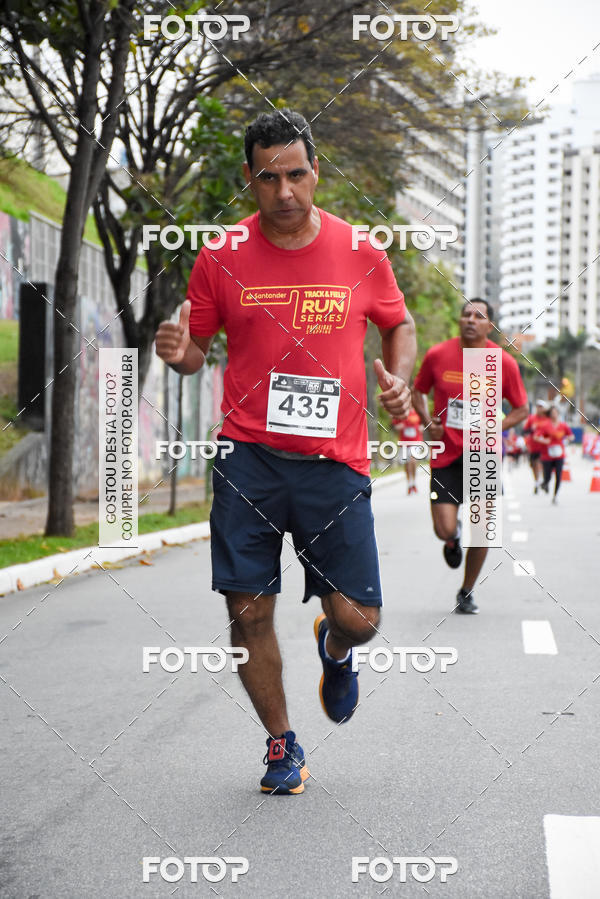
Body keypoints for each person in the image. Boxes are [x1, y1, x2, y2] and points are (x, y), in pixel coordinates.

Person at [154, 109, 416, 794]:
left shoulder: (360, 249)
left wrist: (398, 379)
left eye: (296, 174)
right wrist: (180, 354)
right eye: (269, 178)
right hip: (248, 458)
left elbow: (399, 323)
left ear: (316, 171)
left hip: (336, 461)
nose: (285, 191)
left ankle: (335, 646)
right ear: (250, 179)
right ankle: (281, 744)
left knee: (360, 620)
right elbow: (196, 351)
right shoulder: (220, 255)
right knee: (248, 611)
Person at [412, 299, 528, 614]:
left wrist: (495, 425)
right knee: (443, 528)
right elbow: (418, 391)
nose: (471, 320)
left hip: (483, 455)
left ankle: (466, 591)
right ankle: (453, 539)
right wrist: (428, 421)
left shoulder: (502, 362)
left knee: (483, 529)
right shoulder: (439, 355)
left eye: (479, 316)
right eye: (466, 315)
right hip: (446, 453)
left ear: (490, 325)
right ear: (459, 320)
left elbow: (521, 409)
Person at [535, 405, 574, 504]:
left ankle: (555, 496)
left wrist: (568, 439)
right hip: (547, 455)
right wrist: (544, 441)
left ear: (558, 414)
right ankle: (545, 483)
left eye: (556, 413)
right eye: (552, 413)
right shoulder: (545, 425)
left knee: (558, 475)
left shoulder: (563, 425)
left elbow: (571, 436)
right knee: (548, 476)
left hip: (559, 454)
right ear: (550, 414)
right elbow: (536, 437)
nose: (554, 415)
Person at [391, 405, 423, 494]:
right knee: (407, 463)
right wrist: (401, 426)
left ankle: (414, 482)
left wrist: (421, 427)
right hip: (404, 442)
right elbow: (395, 426)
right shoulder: (401, 412)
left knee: (413, 460)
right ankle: (410, 484)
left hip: (416, 441)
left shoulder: (417, 411)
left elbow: (423, 423)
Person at [523, 400, 549, 492]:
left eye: (541, 407)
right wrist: (531, 431)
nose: (539, 409)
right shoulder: (532, 418)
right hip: (533, 446)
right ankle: (537, 481)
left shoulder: (547, 419)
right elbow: (525, 431)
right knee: (533, 465)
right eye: (538, 407)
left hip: (544, 446)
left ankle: (543, 480)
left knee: (541, 464)